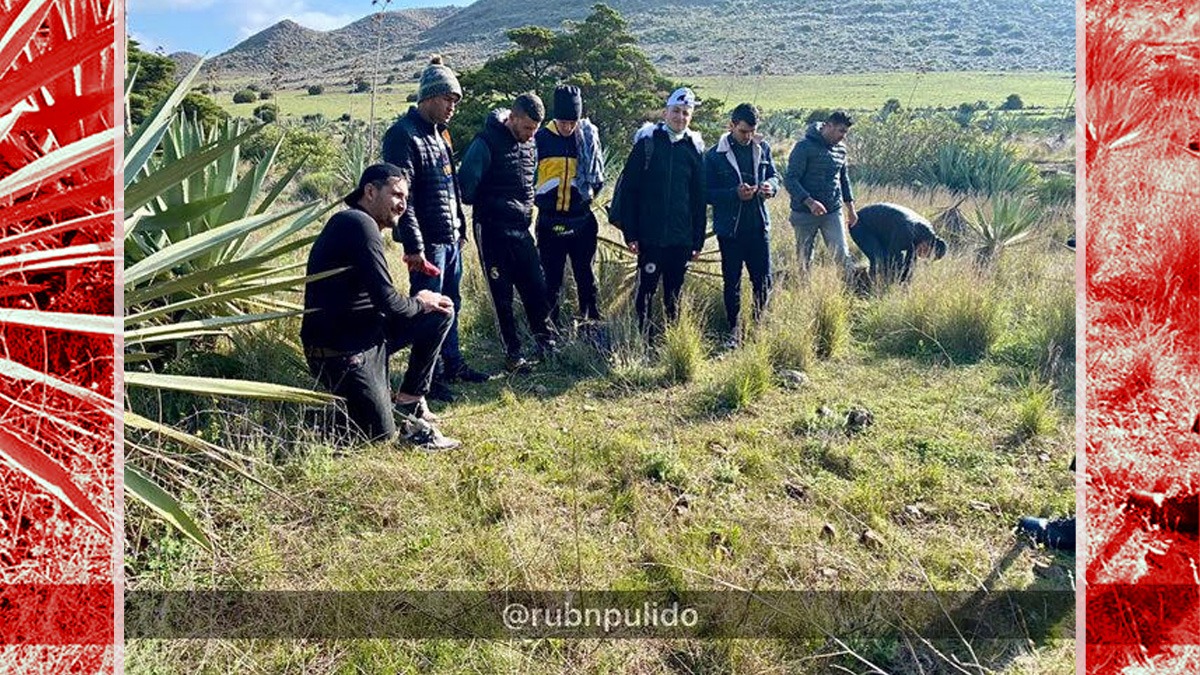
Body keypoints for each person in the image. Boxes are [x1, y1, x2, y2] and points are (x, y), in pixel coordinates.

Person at [301, 164, 460, 451]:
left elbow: (383, 300)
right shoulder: (357, 224)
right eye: (396, 194)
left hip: (367, 335)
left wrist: (423, 304)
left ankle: (410, 402)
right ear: (370, 191)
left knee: (440, 312)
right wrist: (419, 302)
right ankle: (318, 419)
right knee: (380, 436)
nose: (402, 204)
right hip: (342, 352)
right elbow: (389, 302)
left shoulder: (361, 225)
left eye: (406, 198)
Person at [380, 55, 488, 402]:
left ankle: (451, 363)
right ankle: (429, 378)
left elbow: (450, 188)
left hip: (450, 238)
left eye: (456, 101)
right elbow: (401, 196)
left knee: (451, 303)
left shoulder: (441, 135)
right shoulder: (402, 135)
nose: (452, 106)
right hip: (427, 244)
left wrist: (460, 231)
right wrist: (413, 247)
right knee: (430, 310)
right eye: (447, 99)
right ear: (428, 97)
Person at [459, 93, 558, 373]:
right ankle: (513, 353)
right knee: (501, 295)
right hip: (492, 230)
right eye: (526, 128)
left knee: (536, 287)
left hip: (521, 228)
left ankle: (546, 342)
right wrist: (492, 203)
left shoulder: (531, 144)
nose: (530, 135)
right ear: (511, 118)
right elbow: (466, 188)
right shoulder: (485, 142)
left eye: (534, 130)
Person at [615, 87, 707, 332]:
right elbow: (630, 192)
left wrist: (697, 240)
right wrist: (631, 234)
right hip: (650, 237)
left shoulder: (694, 149)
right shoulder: (647, 144)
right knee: (645, 291)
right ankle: (641, 340)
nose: (680, 117)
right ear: (666, 112)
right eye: (676, 111)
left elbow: (699, 199)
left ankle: (672, 343)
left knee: (674, 295)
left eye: (686, 113)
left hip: (681, 239)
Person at [704, 102, 780, 348]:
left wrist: (770, 187)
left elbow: (774, 177)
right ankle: (734, 331)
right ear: (732, 126)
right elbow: (705, 194)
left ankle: (758, 327)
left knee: (763, 280)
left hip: (758, 226)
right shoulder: (714, 156)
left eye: (751, 131)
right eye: (743, 131)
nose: (748, 136)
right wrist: (734, 194)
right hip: (730, 231)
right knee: (732, 282)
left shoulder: (763, 148)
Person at [534, 85, 606, 327]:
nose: (568, 127)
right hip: (549, 220)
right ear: (555, 117)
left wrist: (585, 200)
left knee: (585, 274)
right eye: (563, 121)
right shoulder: (540, 139)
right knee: (551, 278)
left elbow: (598, 177)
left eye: (573, 121)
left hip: (581, 220)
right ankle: (549, 327)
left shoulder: (586, 138)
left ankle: (591, 322)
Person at [784, 110, 858, 280]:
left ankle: (850, 291)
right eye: (841, 131)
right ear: (828, 126)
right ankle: (805, 293)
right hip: (804, 212)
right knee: (804, 258)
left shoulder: (841, 150)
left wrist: (851, 209)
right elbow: (790, 179)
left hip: (832, 211)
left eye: (845, 132)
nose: (843, 136)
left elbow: (843, 180)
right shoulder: (804, 147)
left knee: (841, 253)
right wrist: (810, 202)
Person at [849, 203, 947, 287]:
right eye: (926, 252)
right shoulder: (908, 229)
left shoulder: (924, 234)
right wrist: (899, 281)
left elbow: (911, 260)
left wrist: (906, 282)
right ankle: (866, 286)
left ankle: (864, 277)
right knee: (880, 260)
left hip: (880, 231)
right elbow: (894, 257)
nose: (922, 255)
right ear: (929, 243)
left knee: (888, 264)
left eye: (926, 256)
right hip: (859, 224)